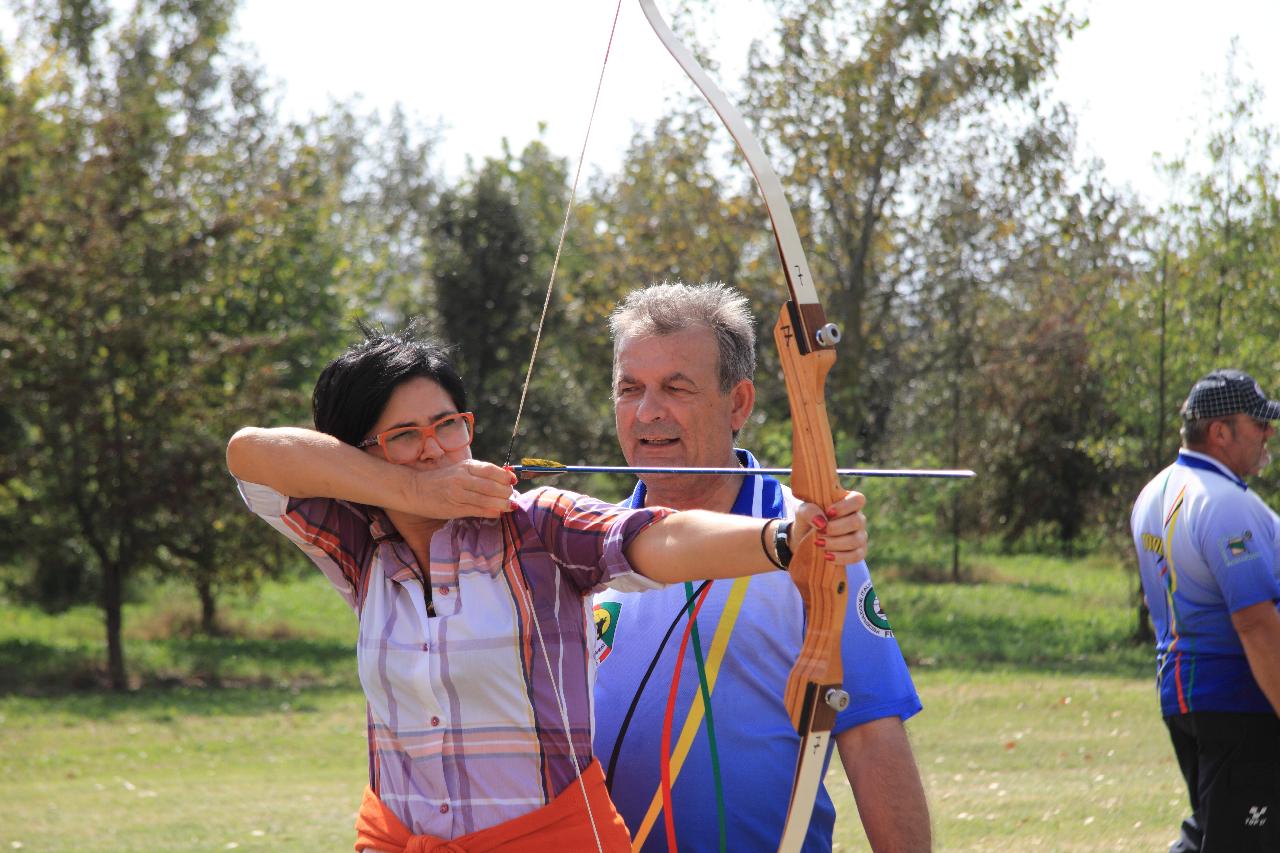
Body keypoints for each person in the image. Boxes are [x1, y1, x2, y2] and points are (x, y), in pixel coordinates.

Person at [225, 322, 870, 853]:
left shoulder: (535, 525)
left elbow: (657, 538)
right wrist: (416, 492)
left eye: (447, 424)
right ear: (359, 454)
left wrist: (784, 539)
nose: (435, 448)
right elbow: (250, 454)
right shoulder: (359, 545)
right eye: (403, 436)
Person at [591, 283, 930, 852]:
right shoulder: (585, 541)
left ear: (738, 403)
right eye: (631, 389)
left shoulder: (811, 540)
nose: (648, 412)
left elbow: (871, 734)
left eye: (676, 387)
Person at [1131, 369, 1280, 853]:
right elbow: (1255, 623)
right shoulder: (1224, 504)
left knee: (1216, 833)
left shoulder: (1155, 492)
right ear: (1220, 432)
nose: (1269, 433)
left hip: (1188, 696)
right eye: (1258, 423)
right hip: (1241, 700)